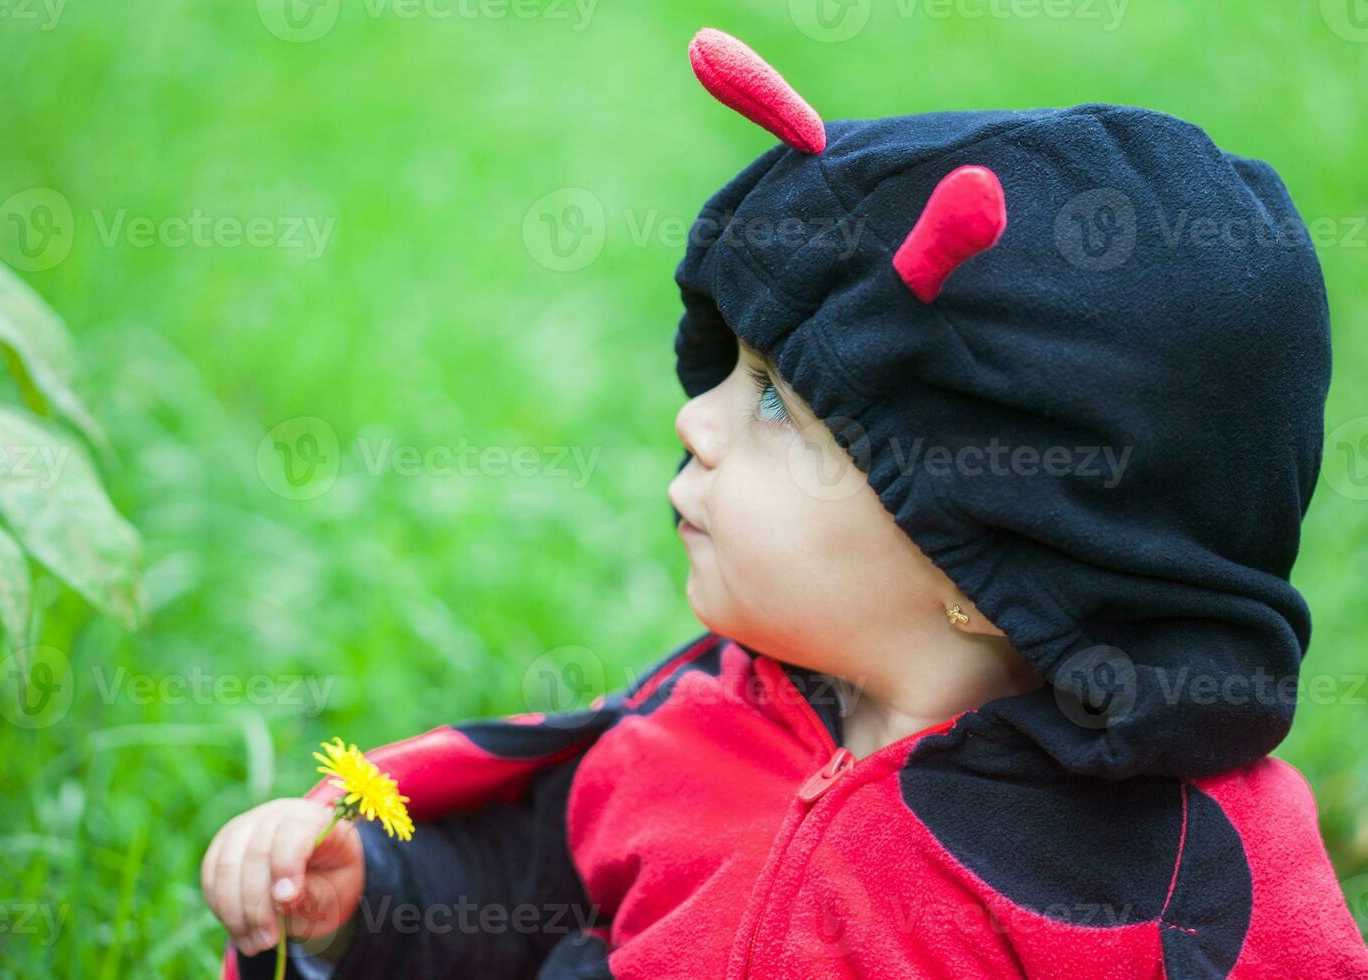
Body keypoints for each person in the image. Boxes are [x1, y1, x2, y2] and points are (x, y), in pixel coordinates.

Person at [204, 27, 1368, 978]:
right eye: (733, 370)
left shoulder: (1172, 879)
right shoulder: (700, 718)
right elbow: (523, 887)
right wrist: (371, 900)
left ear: (990, 558)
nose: (693, 418)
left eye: (774, 404)